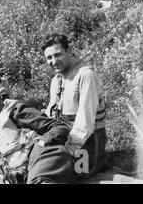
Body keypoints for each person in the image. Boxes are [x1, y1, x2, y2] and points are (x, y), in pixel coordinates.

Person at [0, 90, 73, 184]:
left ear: (0, 104)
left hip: (45, 157)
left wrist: (42, 143)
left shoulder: (17, 112)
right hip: (27, 173)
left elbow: (60, 127)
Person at [41, 33, 106, 179]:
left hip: (87, 142)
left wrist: (68, 150)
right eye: (49, 58)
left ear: (68, 52)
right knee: (38, 168)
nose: (54, 61)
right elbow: (51, 115)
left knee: (73, 176)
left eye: (58, 55)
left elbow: (85, 121)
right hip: (65, 137)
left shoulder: (85, 75)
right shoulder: (56, 80)